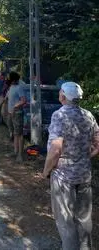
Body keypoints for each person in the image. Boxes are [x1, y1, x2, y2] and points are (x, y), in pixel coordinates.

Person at [42, 82, 99, 250]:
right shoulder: (88, 115)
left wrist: (46, 171)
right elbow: (98, 143)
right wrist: (86, 156)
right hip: (84, 173)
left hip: (63, 175)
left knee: (65, 220)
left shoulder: (59, 115)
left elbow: (56, 148)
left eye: (60, 92)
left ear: (63, 96)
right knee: (84, 217)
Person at [6, 72, 26, 163]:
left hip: (17, 113)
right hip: (11, 113)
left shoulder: (19, 88)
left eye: (9, 77)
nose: (7, 79)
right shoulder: (11, 87)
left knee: (20, 135)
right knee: (15, 134)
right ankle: (15, 152)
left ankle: (20, 155)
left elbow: (23, 100)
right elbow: (6, 98)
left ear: (13, 79)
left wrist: (15, 107)